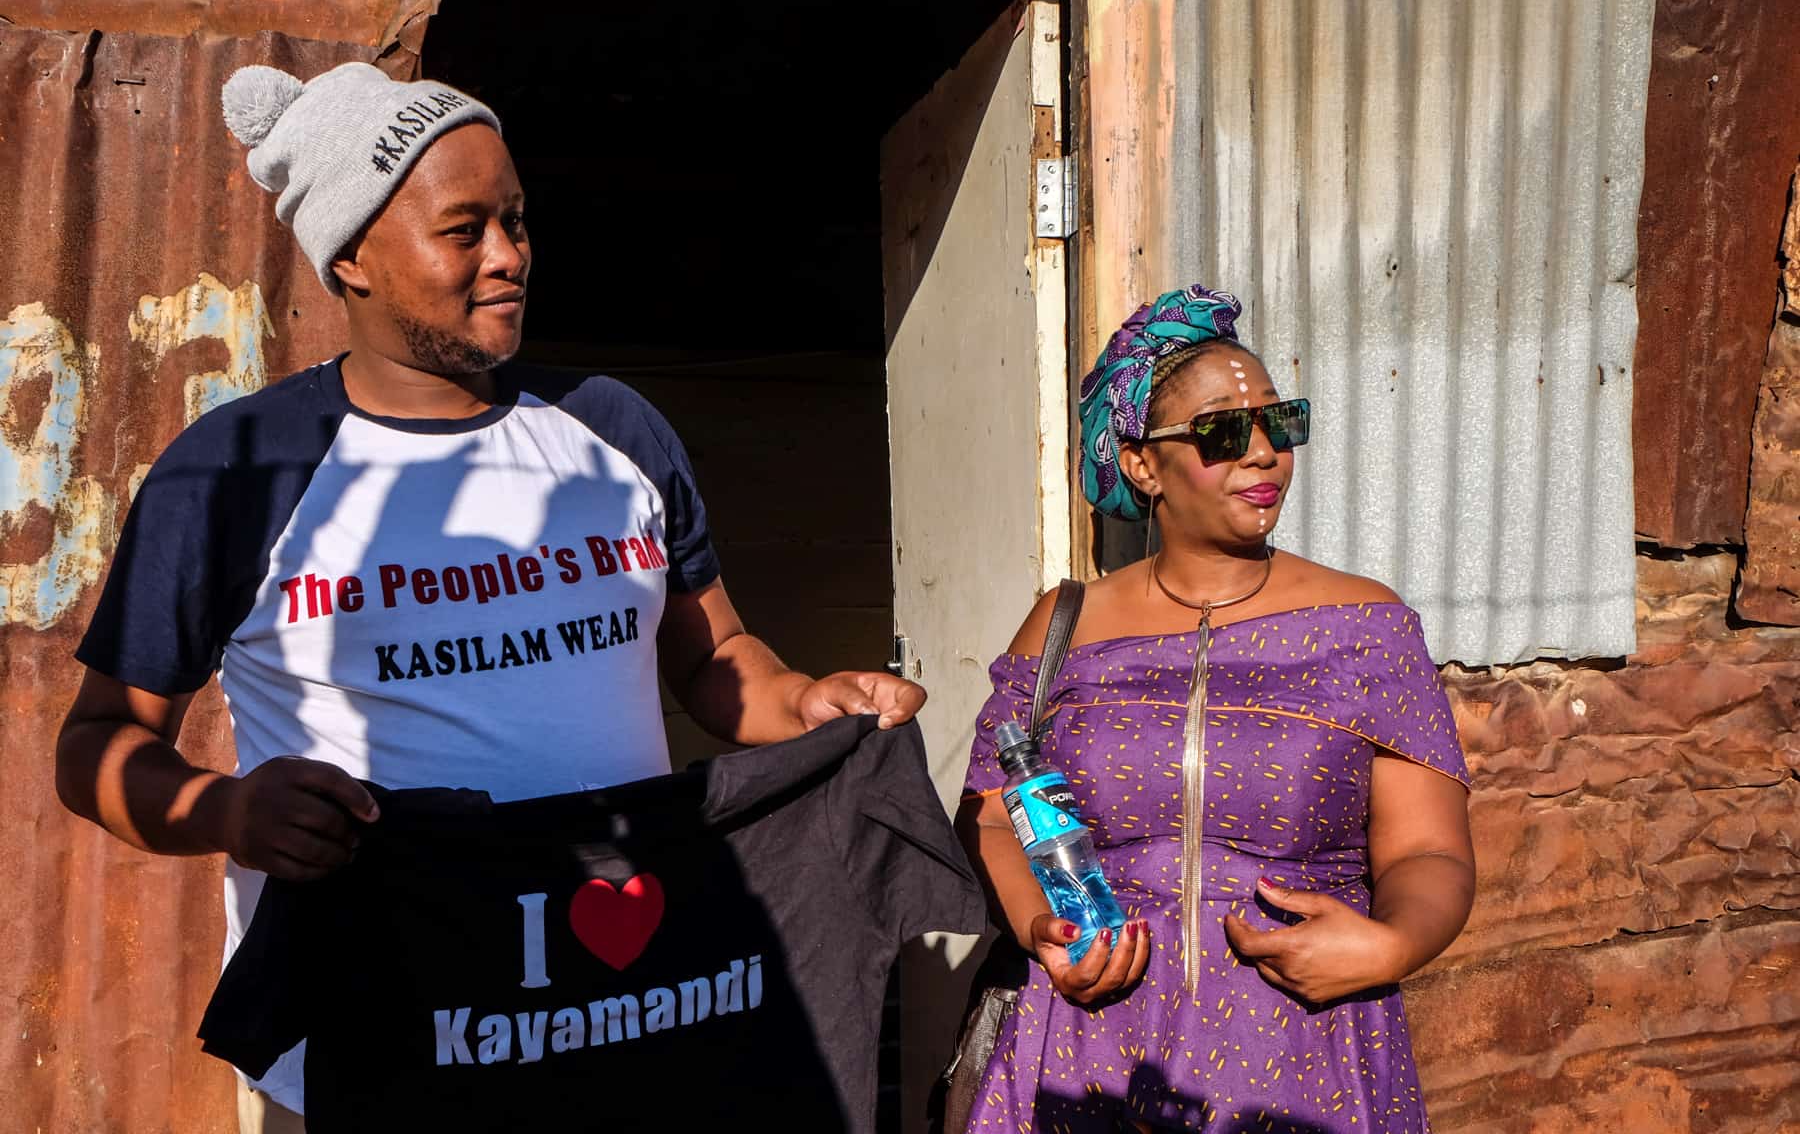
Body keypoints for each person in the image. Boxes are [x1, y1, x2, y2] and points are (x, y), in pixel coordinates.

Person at [53, 62, 923, 1134]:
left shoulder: (612, 430)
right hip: (377, 1044)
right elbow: (96, 744)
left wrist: (806, 704)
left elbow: (713, 657)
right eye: (463, 230)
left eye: (514, 221)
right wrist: (227, 812)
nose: (509, 255)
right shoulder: (237, 473)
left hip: (633, 1017)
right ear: (351, 256)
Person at [953, 286, 1474, 1133]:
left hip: (1305, 1054)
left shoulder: (1365, 627)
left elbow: (1428, 849)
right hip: (1084, 1055)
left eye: (1282, 422)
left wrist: (1393, 945)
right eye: (1225, 432)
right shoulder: (1063, 625)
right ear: (1142, 465)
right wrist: (1041, 929)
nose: (1264, 453)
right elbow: (991, 817)